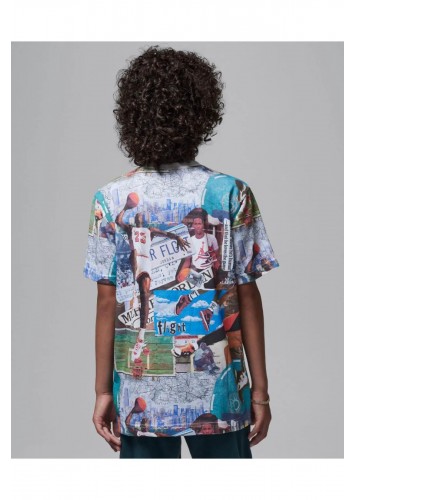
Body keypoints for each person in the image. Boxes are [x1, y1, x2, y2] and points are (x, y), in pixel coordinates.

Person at [84, 45, 280, 459]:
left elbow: (106, 302)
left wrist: (103, 391)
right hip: (221, 391)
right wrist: (259, 392)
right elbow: (247, 296)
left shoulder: (110, 199)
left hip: (138, 391)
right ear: (202, 114)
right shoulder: (231, 193)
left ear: (132, 116)